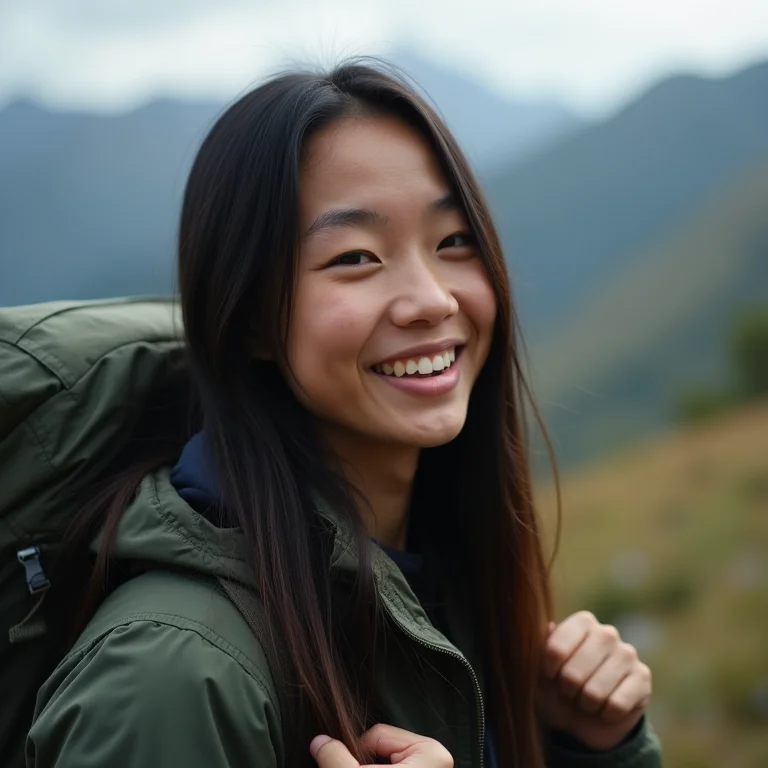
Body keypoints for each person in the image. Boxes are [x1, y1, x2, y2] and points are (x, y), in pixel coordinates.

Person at [25, 61, 662, 768]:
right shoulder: (172, 681)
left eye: (454, 241)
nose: (433, 299)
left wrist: (587, 748)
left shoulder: (442, 583)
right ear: (251, 322)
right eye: (356, 256)